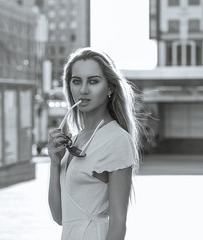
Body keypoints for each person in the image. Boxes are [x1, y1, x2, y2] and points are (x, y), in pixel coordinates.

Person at [48, 47, 143, 240]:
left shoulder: (117, 139)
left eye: (93, 81)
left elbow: (118, 223)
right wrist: (54, 163)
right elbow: (60, 217)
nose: (83, 90)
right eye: (76, 81)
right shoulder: (75, 139)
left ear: (109, 88)